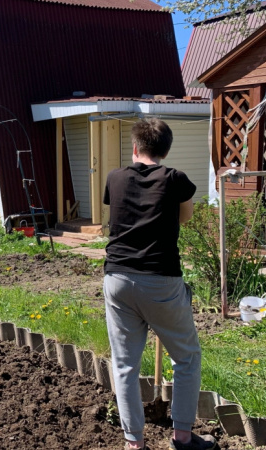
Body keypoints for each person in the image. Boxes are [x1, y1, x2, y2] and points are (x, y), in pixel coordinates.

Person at [102, 118, 215, 450]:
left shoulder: (114, 177)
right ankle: (181, 436)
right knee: (187, 358)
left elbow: (119, 213)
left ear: (135, 147)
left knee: (124, 364)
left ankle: (133, 443)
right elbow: (185, 216)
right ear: (166, 150)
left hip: (118, 278)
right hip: (160, 281)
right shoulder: (175, 179)